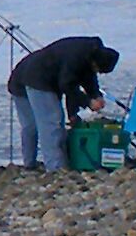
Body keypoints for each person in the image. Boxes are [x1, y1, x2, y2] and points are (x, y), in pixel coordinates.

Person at [6, 35, 120, 170]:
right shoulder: (76, 58)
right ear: (94, 63)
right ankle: (55, 168)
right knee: (51, 123)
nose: (98, 73)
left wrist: (94, 95)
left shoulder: (89, 53)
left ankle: (30, 165)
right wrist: (88, 102)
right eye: (99, 70)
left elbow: (85, 79)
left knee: (32, 126)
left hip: (24, 74)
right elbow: (68, 86)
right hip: (35, 80)